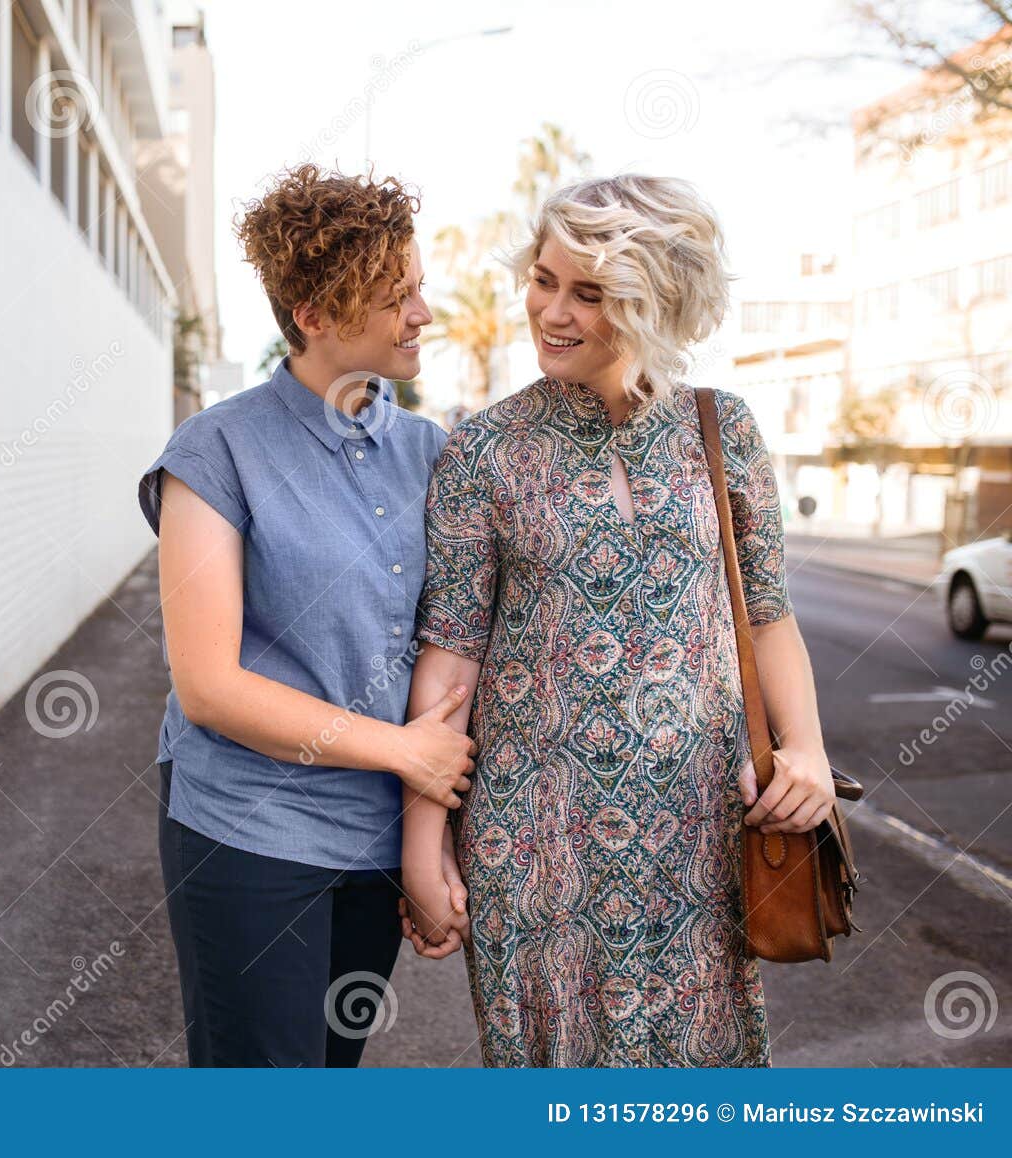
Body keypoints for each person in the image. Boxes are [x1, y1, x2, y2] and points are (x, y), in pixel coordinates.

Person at [399, 175, 836, 1067]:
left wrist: (811, 755)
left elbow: (767, 619)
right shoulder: (483, 450)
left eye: (588, 293)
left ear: (653, 302)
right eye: (544, 278)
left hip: (703, 839)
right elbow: (449, 663)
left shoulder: (725, 430)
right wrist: (421, 841)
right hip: (535, 843)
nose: (550, 310)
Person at [136, 164, 474, 1067]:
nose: (423, 315)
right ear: (316, 315)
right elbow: (208, 687)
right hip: (248, 832)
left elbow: (450, 657)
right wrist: (404, 752)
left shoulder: (434, 455)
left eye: (419, 288)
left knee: (327, 1078)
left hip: (372, 842)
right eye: (397, 297)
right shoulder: (215, 450)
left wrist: (424, 847)